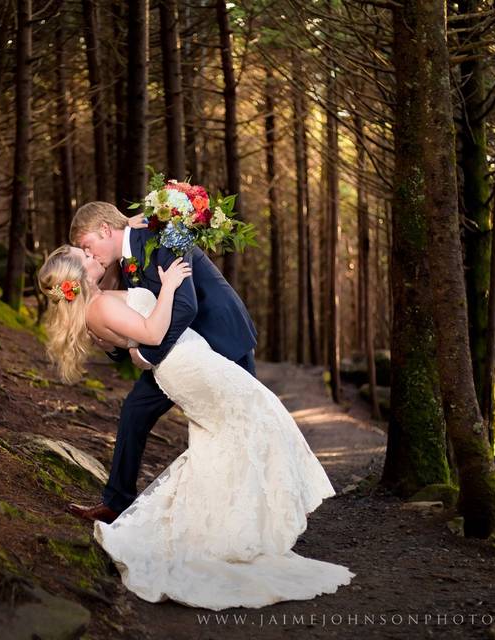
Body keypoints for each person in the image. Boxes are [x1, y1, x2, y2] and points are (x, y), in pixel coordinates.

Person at [36, 244, 355, 610]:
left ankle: (224, 530)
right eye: (87, 259)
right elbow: (153, 335)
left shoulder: (100, 300)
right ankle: (229, 530)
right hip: (186, 364)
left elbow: (136, 343)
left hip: (190, 357)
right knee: (259, 414)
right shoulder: (101, 306)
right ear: (77, 278)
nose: (95, 259)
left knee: (223, 438)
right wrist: (170, 285)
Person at [65, 201, 258, 524]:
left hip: (222, 337)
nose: (89, 254)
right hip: (182, 350)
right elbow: (135, 316)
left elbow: (185, 306)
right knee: (135, 411)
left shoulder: (165, 234)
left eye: (87, 246)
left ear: (104, 230)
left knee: (242, 424)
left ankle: (249, 515)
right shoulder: (124, 260)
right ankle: (116, 502)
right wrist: (113, 345)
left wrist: (146, 356)